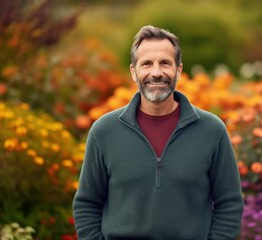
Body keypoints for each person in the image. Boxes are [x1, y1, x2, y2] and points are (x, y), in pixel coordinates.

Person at [73, 25, 244, 240]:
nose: (156, 73)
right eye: (146, 64)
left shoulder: (211, 130)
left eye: (165, 63)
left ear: (179, 70)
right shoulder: (104, 131)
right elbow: (87, 203)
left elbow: (230, 202)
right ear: (134, 72)